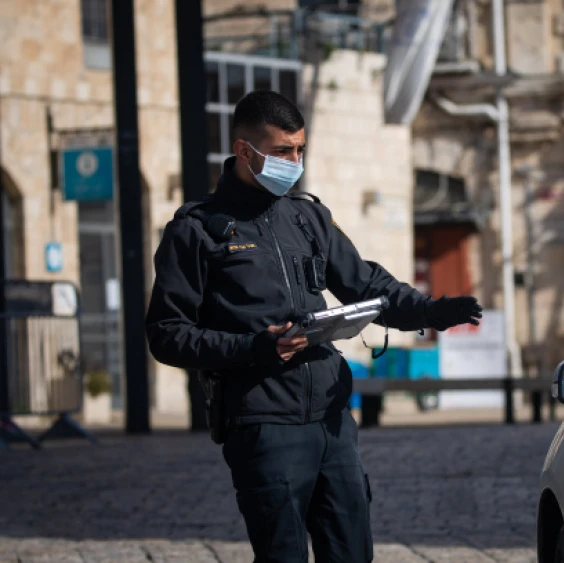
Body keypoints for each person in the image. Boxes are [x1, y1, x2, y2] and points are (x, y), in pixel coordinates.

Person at [145, 91, 482, 562]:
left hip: (331, 419)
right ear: (245, 151)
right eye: (283, 151)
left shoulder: (308, 217)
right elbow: (166, 334)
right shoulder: (196, 231)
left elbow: (367, 285)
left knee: (352, 553)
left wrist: (431, 311)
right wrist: (253, 348)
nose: (295, 161)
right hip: (262, 424)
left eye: (300, 149)